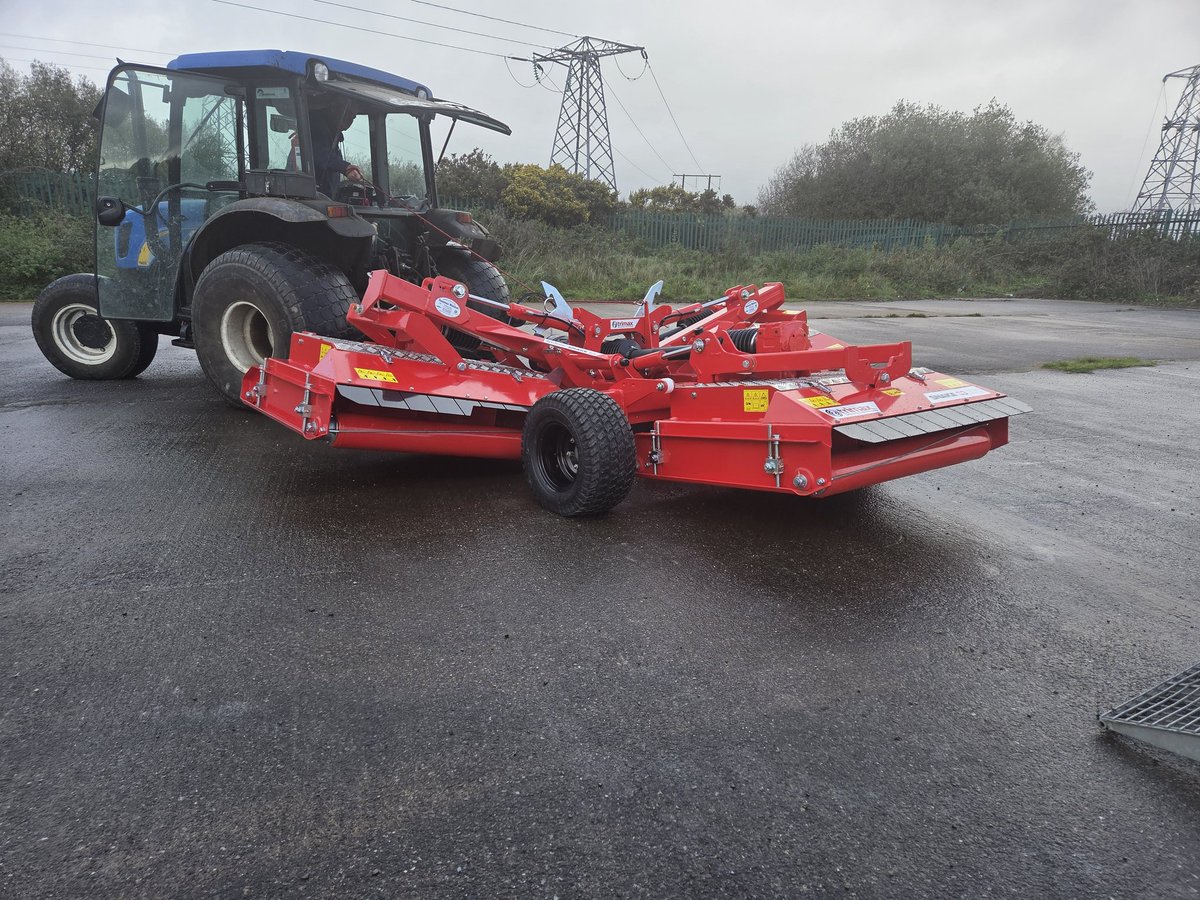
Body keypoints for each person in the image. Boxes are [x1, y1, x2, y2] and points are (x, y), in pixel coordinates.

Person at [309, 98, 365, 197]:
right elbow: (318, 154)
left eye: (353, 117)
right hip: (308, 195)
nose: (349, 119)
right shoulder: (315, 126)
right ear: (334, 109)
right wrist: (346, 168)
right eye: (347, 113)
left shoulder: (333, 137)